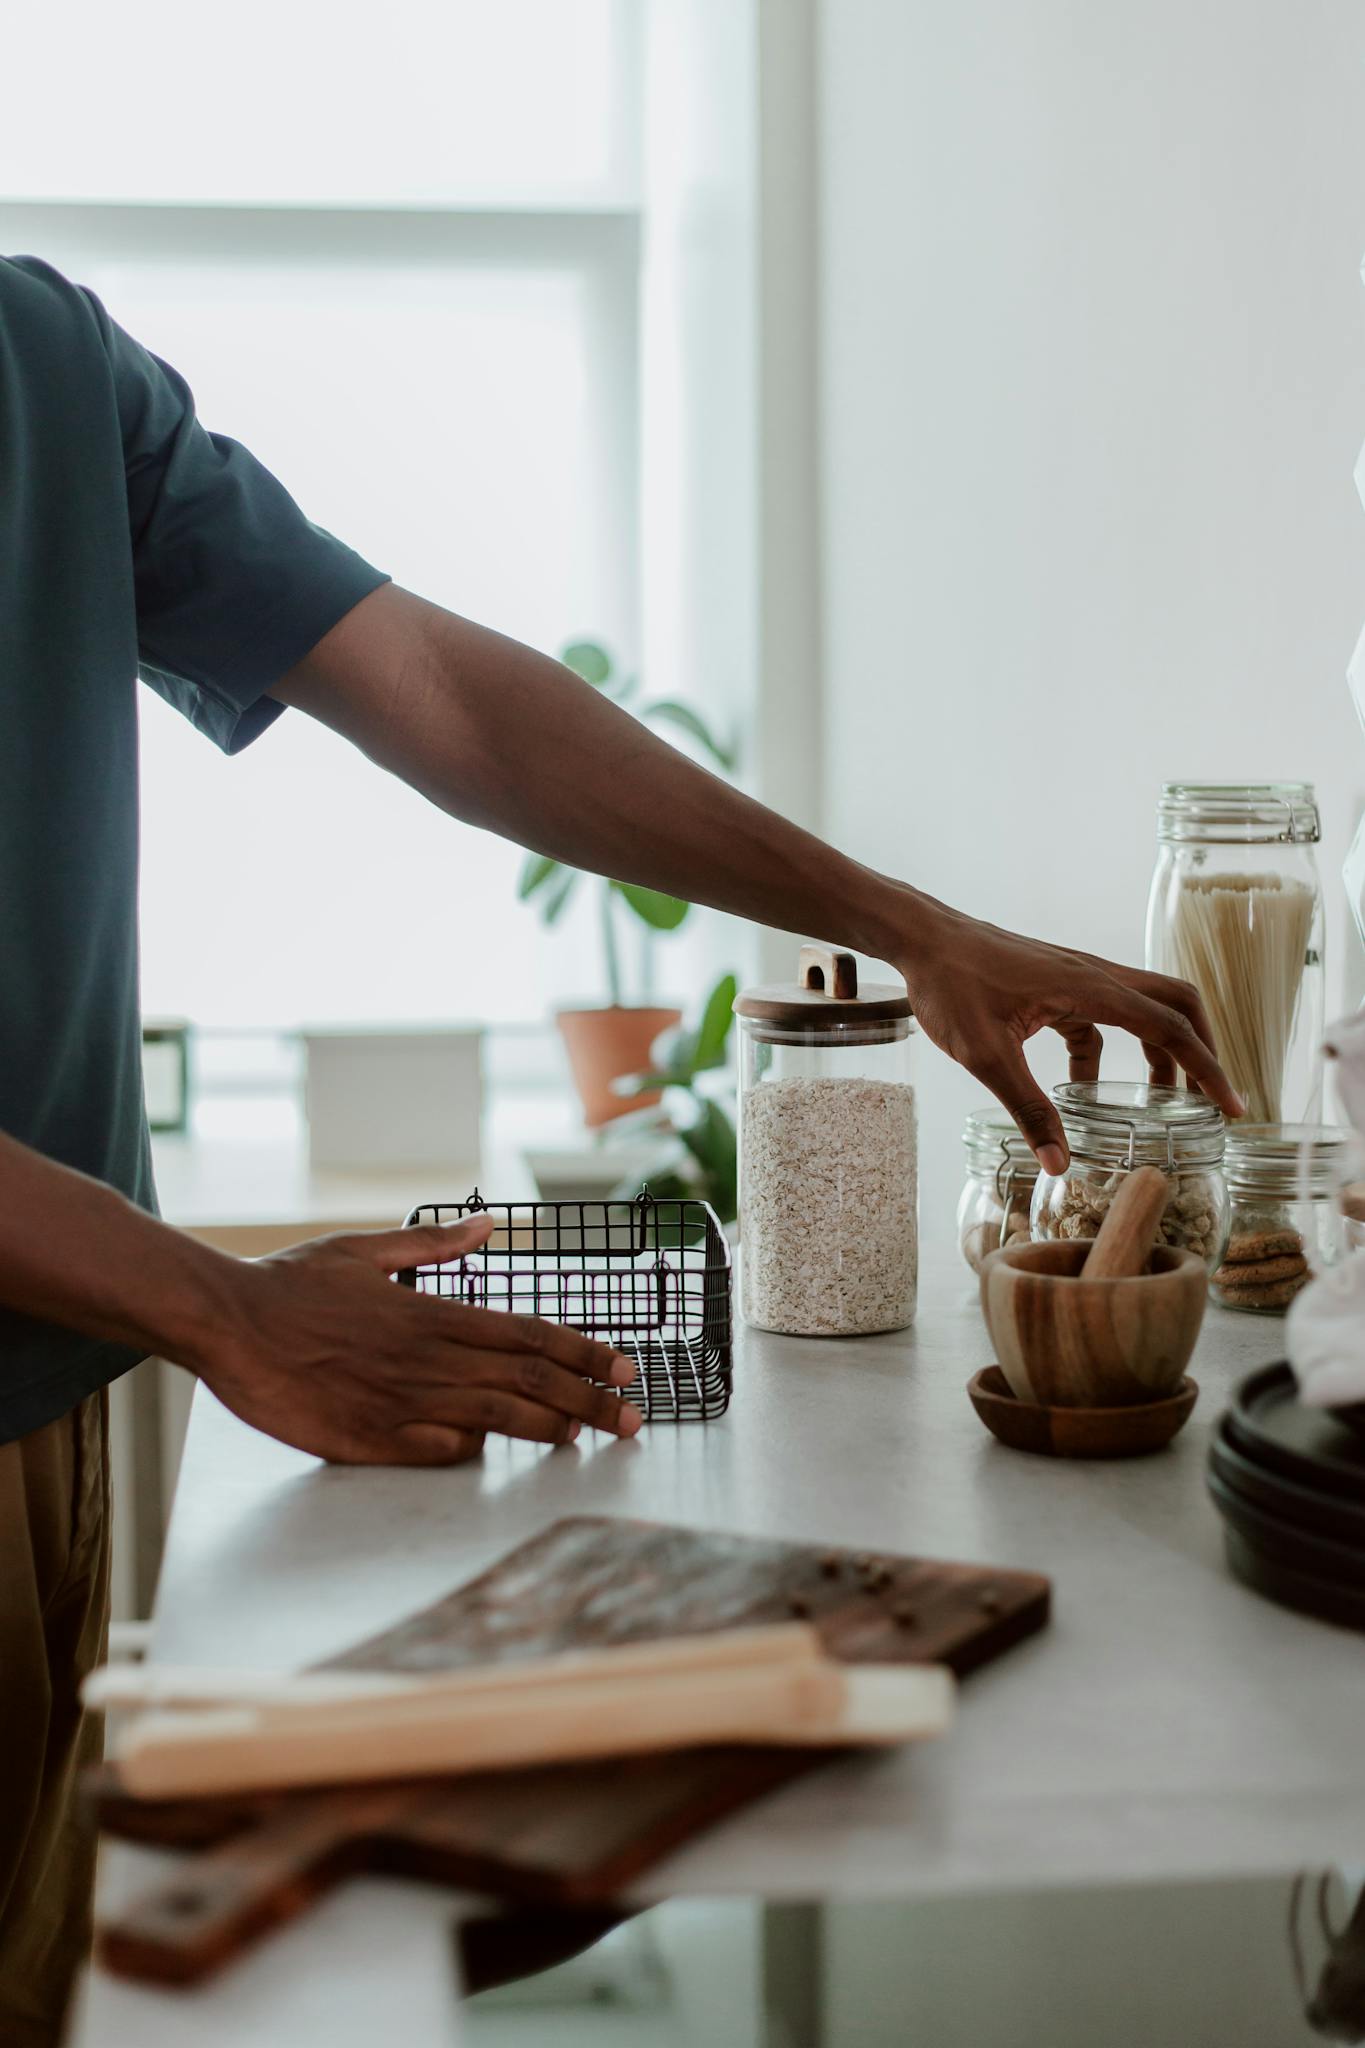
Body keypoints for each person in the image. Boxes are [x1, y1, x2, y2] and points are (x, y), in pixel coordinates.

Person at [0, 250, 1238, 2044]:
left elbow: (435, 686)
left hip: (55, 1389)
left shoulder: (45, 361)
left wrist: (908, 925)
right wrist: (225, 1308)